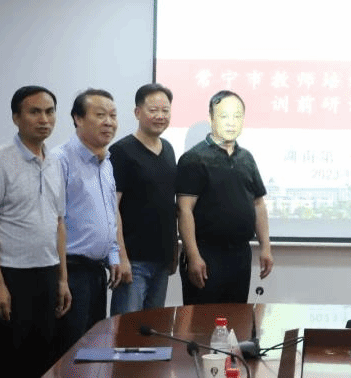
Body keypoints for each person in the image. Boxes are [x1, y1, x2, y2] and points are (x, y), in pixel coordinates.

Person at [0, 86, 71, 378]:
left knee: (43, 361)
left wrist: (63, 279)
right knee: (4, 362)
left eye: (50, 112)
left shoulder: (55, 161)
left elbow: (59, 223)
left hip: (47, 275)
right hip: (10, 276)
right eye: (35, 112)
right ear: (16, 117)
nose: (44, 119)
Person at [51, 88, 130, 353]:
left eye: (113, 116)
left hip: (96, 272)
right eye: (100, 115)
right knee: (70, 351)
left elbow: (109, 212)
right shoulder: (60, 160)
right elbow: (54, 221)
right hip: (70, 271)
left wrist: (114, 255)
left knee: (93, 349)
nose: (109, 122)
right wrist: (62, 279)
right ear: (78, 118)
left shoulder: (106, 162)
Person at [176, 90, 273, 303]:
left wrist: (265, 247)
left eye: (237, 116)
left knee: (236, 318)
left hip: (240, 254)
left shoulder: (246, 158)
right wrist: (193, 255)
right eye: (224, 116)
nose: (231, 122)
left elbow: (258, 204)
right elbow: (184, 210)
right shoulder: (193, 159)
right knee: (203, 319)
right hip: (205, 253)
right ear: (211, 118)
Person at [109, 83, 179, 314]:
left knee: (153, 328)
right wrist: (121, 257)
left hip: (162, 260)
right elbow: (113, 208)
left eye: (165, 110)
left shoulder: (168, 149)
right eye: (153, 110)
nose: (160, 116)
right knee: (126, 329)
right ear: (138, 112)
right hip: (134, 261)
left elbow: (168, 204)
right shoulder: (121, 152)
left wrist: (173, 250)